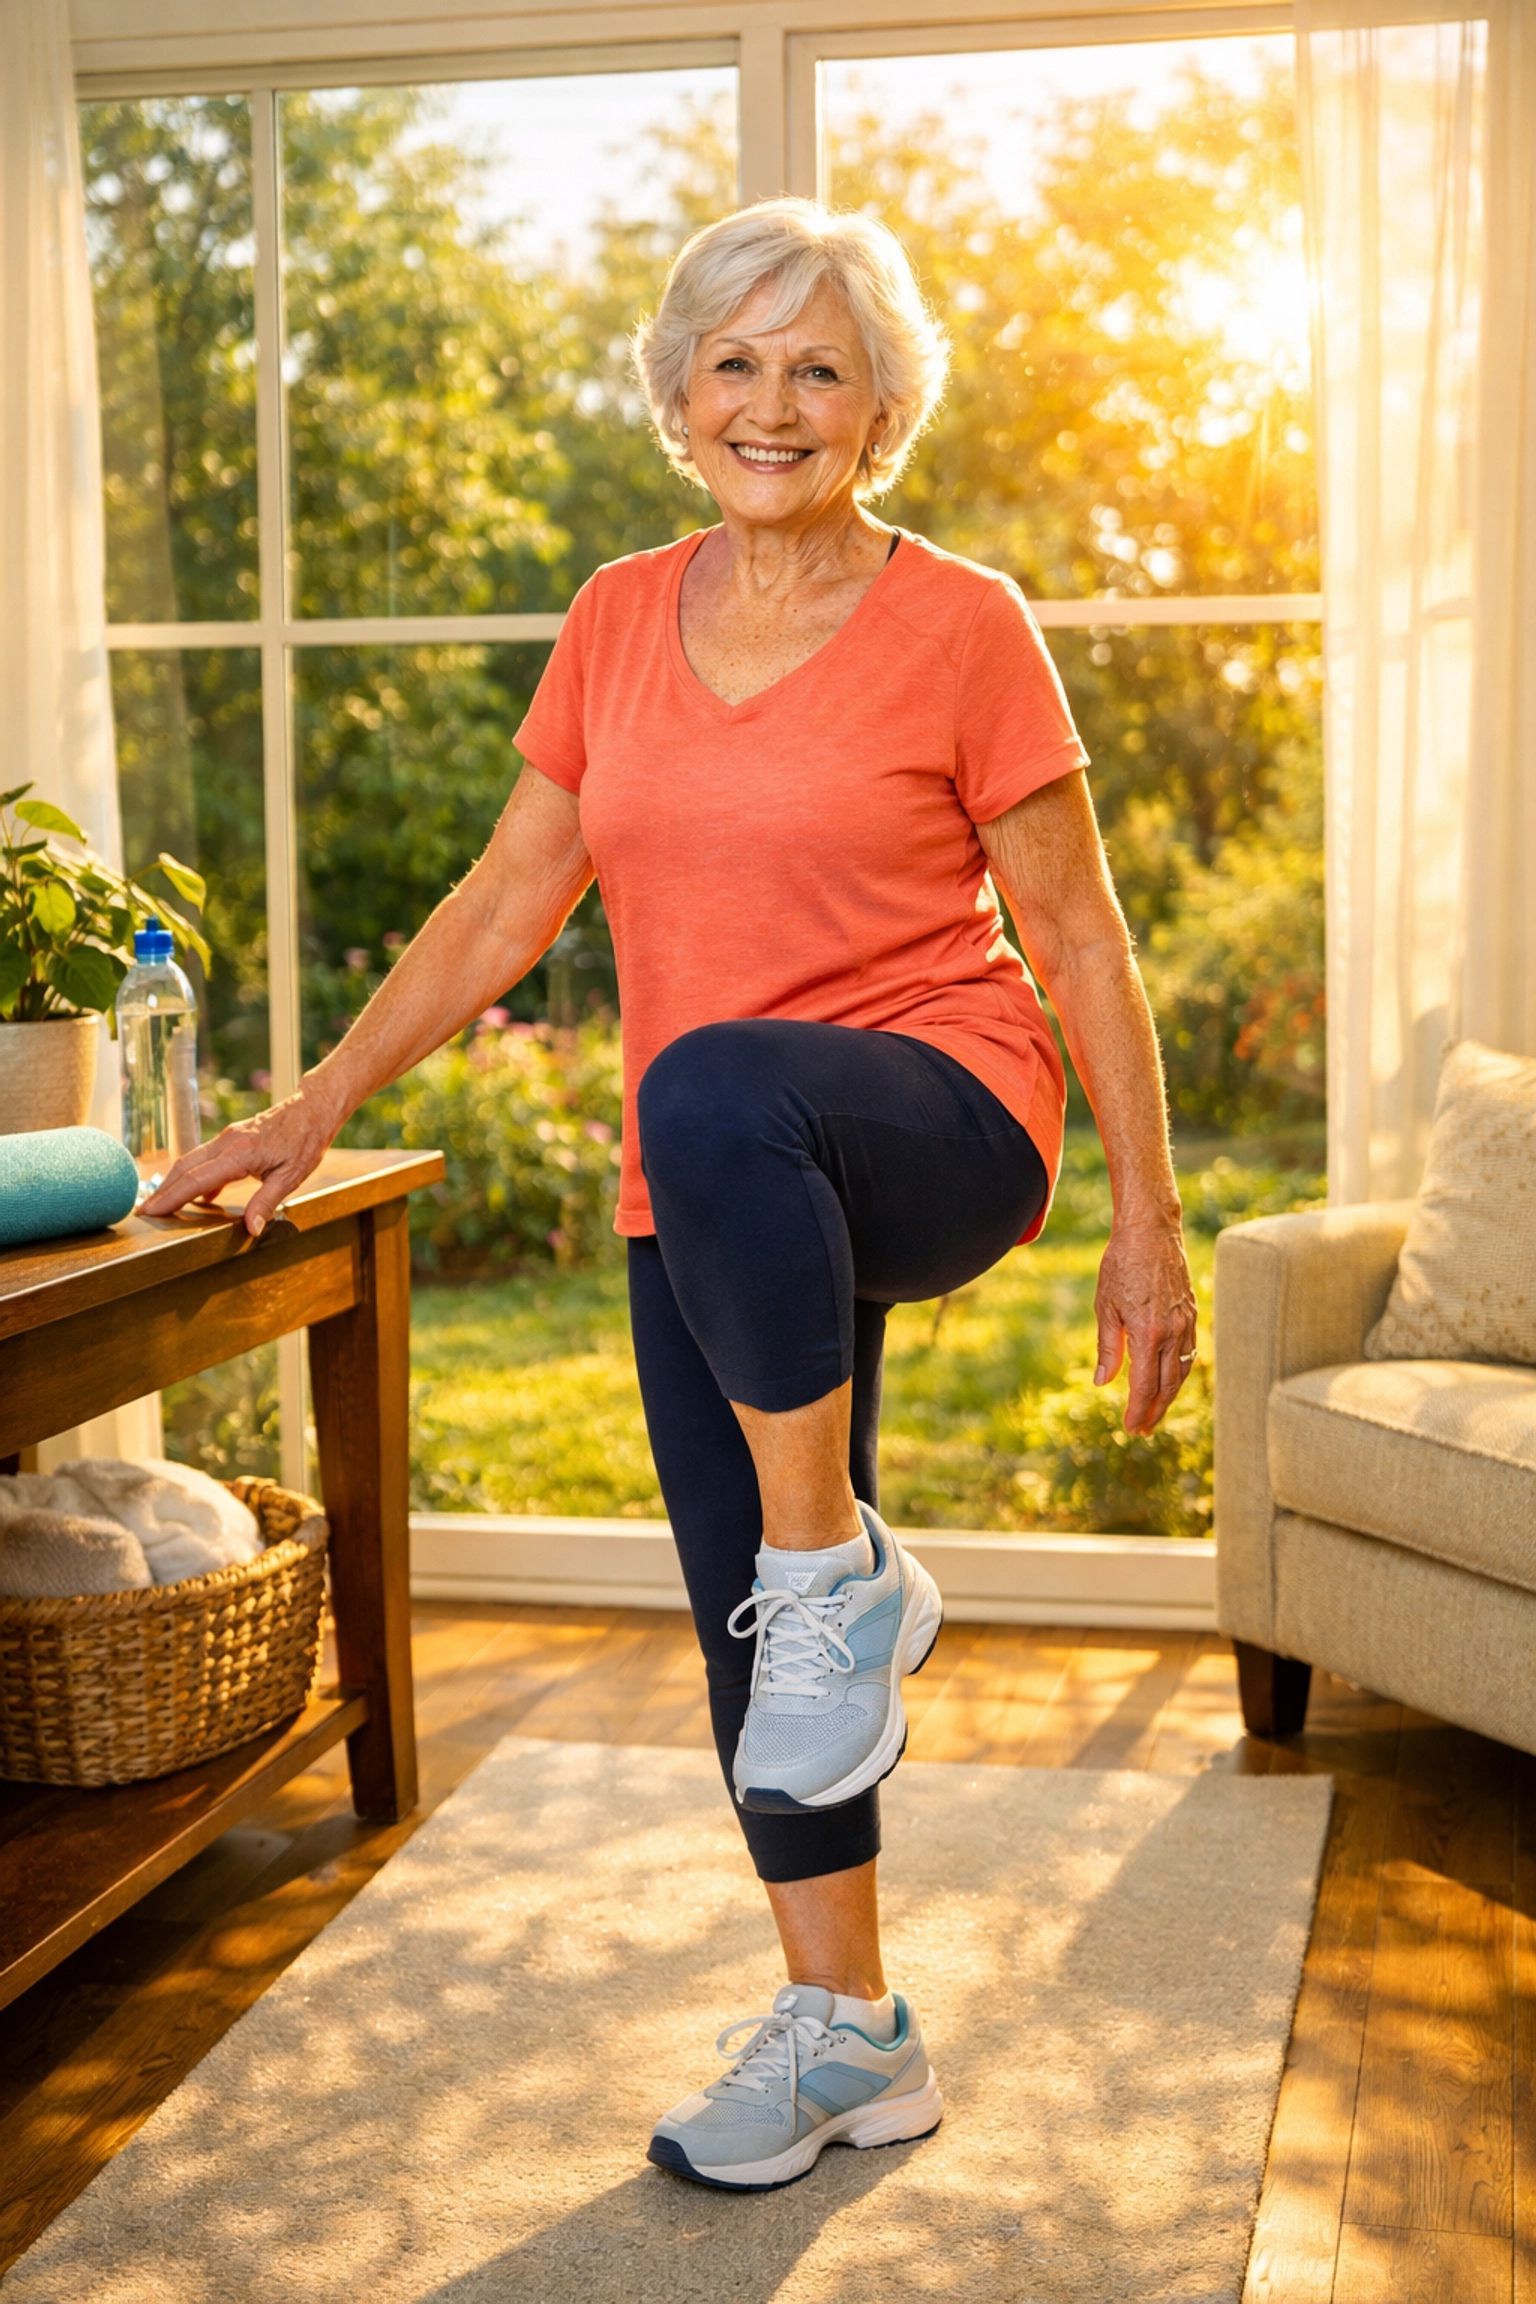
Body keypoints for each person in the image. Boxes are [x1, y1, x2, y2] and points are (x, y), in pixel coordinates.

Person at [144, 196, 1197, 2194]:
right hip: (707, 1182)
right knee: (750, 1645)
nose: (771, 400)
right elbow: (505, 902)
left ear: (884, 409)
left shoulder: (962, 621)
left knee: (722, 1121)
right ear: (678, 394)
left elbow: (1080, 928)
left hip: (940, 1114)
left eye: (818, 365)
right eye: (735, 361)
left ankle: (840, 1586)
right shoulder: (623, 614)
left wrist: (1149, 1224)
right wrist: (312, 1103)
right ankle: (850, 2027)